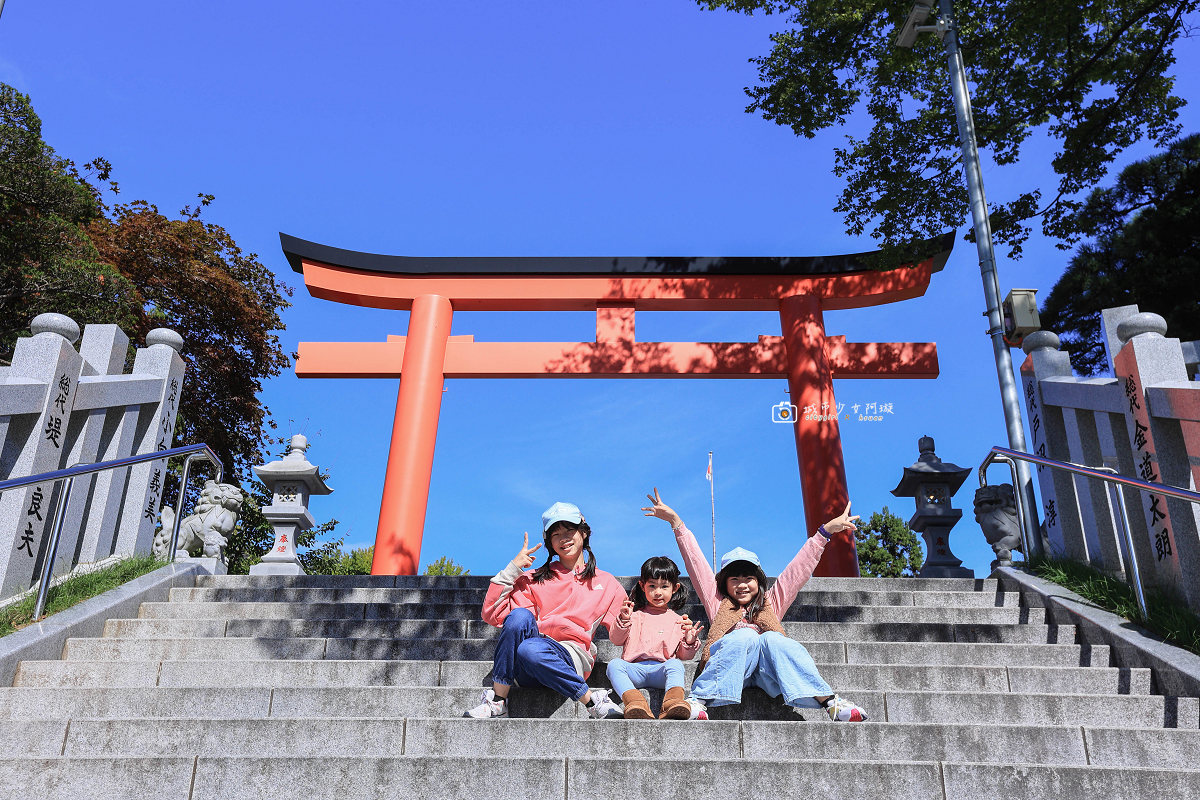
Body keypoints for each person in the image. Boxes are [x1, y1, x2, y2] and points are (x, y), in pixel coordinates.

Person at [642, 488, 869, 722]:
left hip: (766, 675)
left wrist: (824, 533)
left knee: (773, 639)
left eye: (748, 579)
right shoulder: (718, 601)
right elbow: (696, 563)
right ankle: (698, 701)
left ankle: (830, 702)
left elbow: (797, 571)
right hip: (729, 670)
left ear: (758, 581)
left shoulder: (770, 602)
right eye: (734, 579)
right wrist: (676, 523)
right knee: (746, 637)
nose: (742, 585)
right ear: (724, 584)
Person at [463, 501, 628, 720]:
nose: (563, 538)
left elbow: (619, 638)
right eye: (556, 534)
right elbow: (491, 614)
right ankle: (497, 701)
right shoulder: (532, 578)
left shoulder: (605, 582)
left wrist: (625, 622)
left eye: (570, 530)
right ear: (549, 542)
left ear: (584, 533)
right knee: (521, 619)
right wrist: (513, 568)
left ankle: (590, 701)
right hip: (528, 660)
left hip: (570, 657)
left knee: (531, 649)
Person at [606, 555, 703, 719]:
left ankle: (672, 703)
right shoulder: (634, 616)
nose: (658, 592)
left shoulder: (679, 620)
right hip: (634, 669)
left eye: (664, 586)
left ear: (675, 588)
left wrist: (689, 640)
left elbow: (685, 656)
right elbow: (615, 640)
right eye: (652, 586)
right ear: (642, 586)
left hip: (661, 670)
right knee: (614, 665)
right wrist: (623, 619)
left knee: (676, 665)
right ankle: (635, 702)